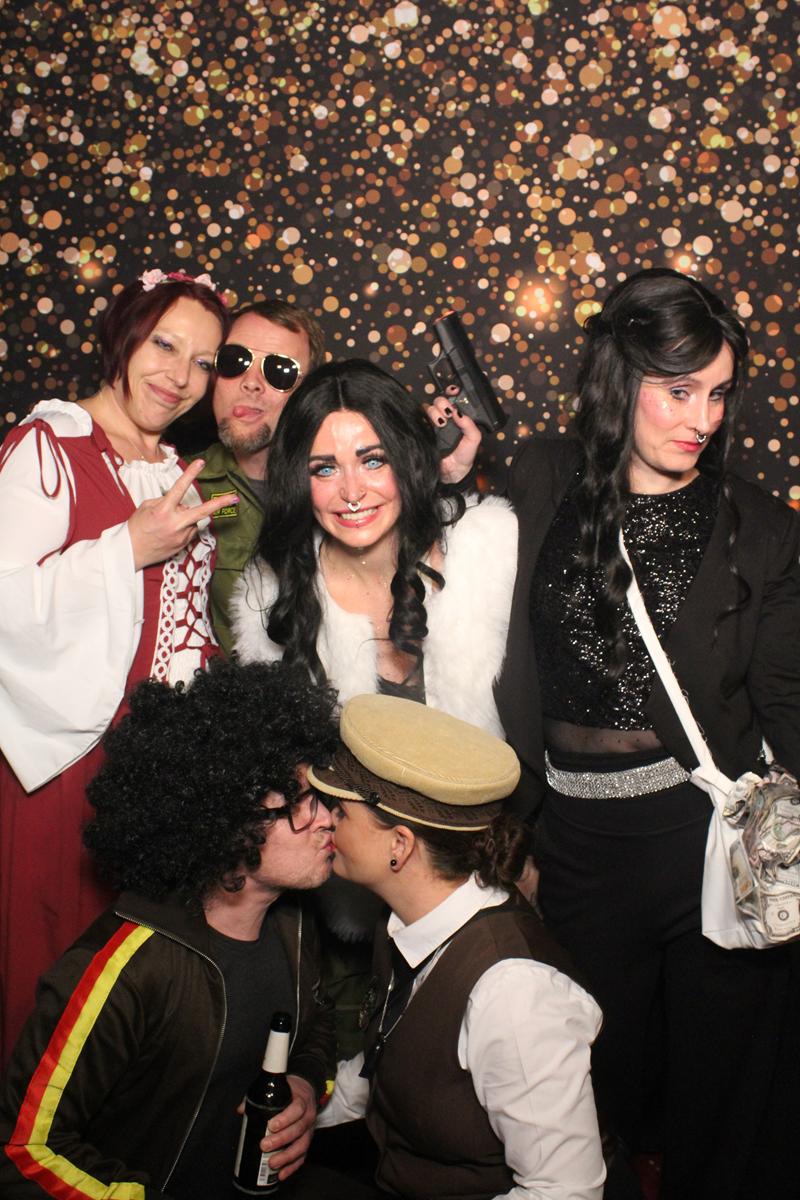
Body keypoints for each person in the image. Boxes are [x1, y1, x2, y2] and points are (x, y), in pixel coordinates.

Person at [440, 268, 800, 1198]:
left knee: (720, 1090)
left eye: (718, 394)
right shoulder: (543, 477)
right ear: (621, 376)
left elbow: (786, 704)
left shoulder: (761, 528)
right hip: (575, 840)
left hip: (705, 841)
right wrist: (443, 476)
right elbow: (456, 597)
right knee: (587, 1089)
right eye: (679, 391)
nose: (703, 419)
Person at [0, 268, 239, 1063]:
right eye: (164, 345)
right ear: (124, 335)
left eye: (203, 362)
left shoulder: (172, 468)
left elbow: (181, 629)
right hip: (59, 763)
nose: (179, 376)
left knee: (119, 995)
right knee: (49, 984)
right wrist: (126, 548)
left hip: (148, 773)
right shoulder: (49, 447)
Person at [0, 658, 341, 1200]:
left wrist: (303, 1083)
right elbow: (23, 1150)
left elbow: (315, 1026)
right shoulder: (126, 968)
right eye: (303, 804)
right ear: (231, 818)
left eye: (324, 799)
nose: (327, 819)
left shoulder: (295, 927)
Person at [309, 693, 605, 1200]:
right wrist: (309, 1110)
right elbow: (388, 1057)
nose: (325, 820)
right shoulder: (407, 921)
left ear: (399, 846)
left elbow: (564, 1190)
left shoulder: (511, 993)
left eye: (342, 811)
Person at [231, 358, 517, 737]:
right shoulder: (269, 597)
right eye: (325, 469)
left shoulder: (492, 551)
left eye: (373, 461)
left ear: (407, 460)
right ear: (299, 480)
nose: (352, 493)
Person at [194, 299, 326, 655]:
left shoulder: (346, 487)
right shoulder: (174, 484)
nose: (251, 383)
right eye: (234, 361)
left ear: (307, 392)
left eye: (279, 371)